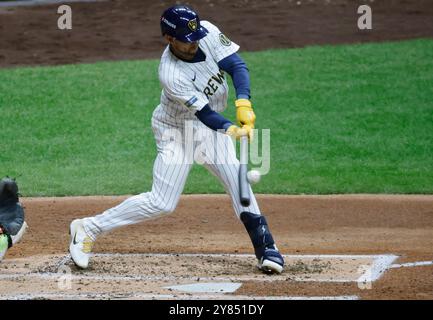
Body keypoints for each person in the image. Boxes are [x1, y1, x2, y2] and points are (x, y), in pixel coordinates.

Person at [69, 5, 284, 274]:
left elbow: (236, 65)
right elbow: (204, 114)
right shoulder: (171, 73)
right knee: (162, 203)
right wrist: (231, 129)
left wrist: (243, 102)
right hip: (176, 131)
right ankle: (87, 228)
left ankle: (266, 247)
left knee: (239, 183)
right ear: (170, 39)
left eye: (196, 37)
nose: (194, 43)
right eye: (187, 40)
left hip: (209, 128)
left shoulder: (206, 32)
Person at [0, 177, 28, 262]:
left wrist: (3, 227)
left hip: (3, 236)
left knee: (4, 237)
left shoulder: (16, 209)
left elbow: (13, 228)